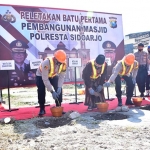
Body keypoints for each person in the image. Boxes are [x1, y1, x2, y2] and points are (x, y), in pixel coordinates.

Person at [36, 50, 67, 116]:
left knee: (59, 89)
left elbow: (61, 77)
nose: (60, 64)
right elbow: (45, 79)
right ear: (55, 58)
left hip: (53, 75)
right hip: (41, 75)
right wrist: (52, 91)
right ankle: (42, 108)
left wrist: (59, 87)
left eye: (61, 62)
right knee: (41, 90)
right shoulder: (46, 63)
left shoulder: (64, 64)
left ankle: (59, 106)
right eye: (59, 62)